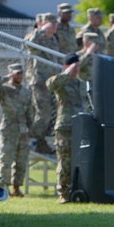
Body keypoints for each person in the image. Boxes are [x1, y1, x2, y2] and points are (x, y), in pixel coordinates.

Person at [47, 52, 86, 203]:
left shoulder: (82, 84)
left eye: (78, 66)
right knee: (65, 161)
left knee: (80, 160)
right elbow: (51, 85)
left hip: (81, 126)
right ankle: (63, 192)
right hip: (65, 126)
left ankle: (79, 190)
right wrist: (66, 73)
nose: (76, 69)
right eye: (73, 66)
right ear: (66, 66)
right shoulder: (61, 81)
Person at [0, 63, 31, 197]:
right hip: (8, 129)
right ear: (11, 73)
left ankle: (16, 189)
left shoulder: (25, 92)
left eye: (21, 73)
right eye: (17, 73)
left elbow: (29, 111)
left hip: (23, 130)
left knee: (21, 161)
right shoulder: (3, 89)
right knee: (6, 160)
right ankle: (3, 188)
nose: (20, 76)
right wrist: (5, 78)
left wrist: (31, 127)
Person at [27, 13, 59, 154]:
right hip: (40, 80)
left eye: (55, 24)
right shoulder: (38, 36)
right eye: (50, 23)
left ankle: (41, 143)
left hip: (51, 81)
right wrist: (41, 30)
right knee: (43, 114)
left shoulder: (53, 40)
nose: (53, 26)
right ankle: (27, 137)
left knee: (50, 115)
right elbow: (29, 45)